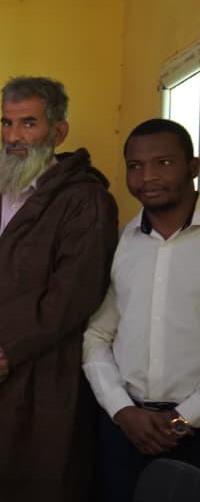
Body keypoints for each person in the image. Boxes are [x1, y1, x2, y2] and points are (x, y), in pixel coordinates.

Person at [0, 77, 118, 502]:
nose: (13, 136)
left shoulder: (84, 201)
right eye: (6, 123)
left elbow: (72, 297)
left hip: (37, 384)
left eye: (28, 123)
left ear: (58, 132)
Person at [84, 118, 200, 502]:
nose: (147, 176)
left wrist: (184, 419)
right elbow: (97, 335)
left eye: (163, 163)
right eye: (135, 166)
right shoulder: (122, 243)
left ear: (193, 167)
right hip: (125, 430)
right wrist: (121, 410)